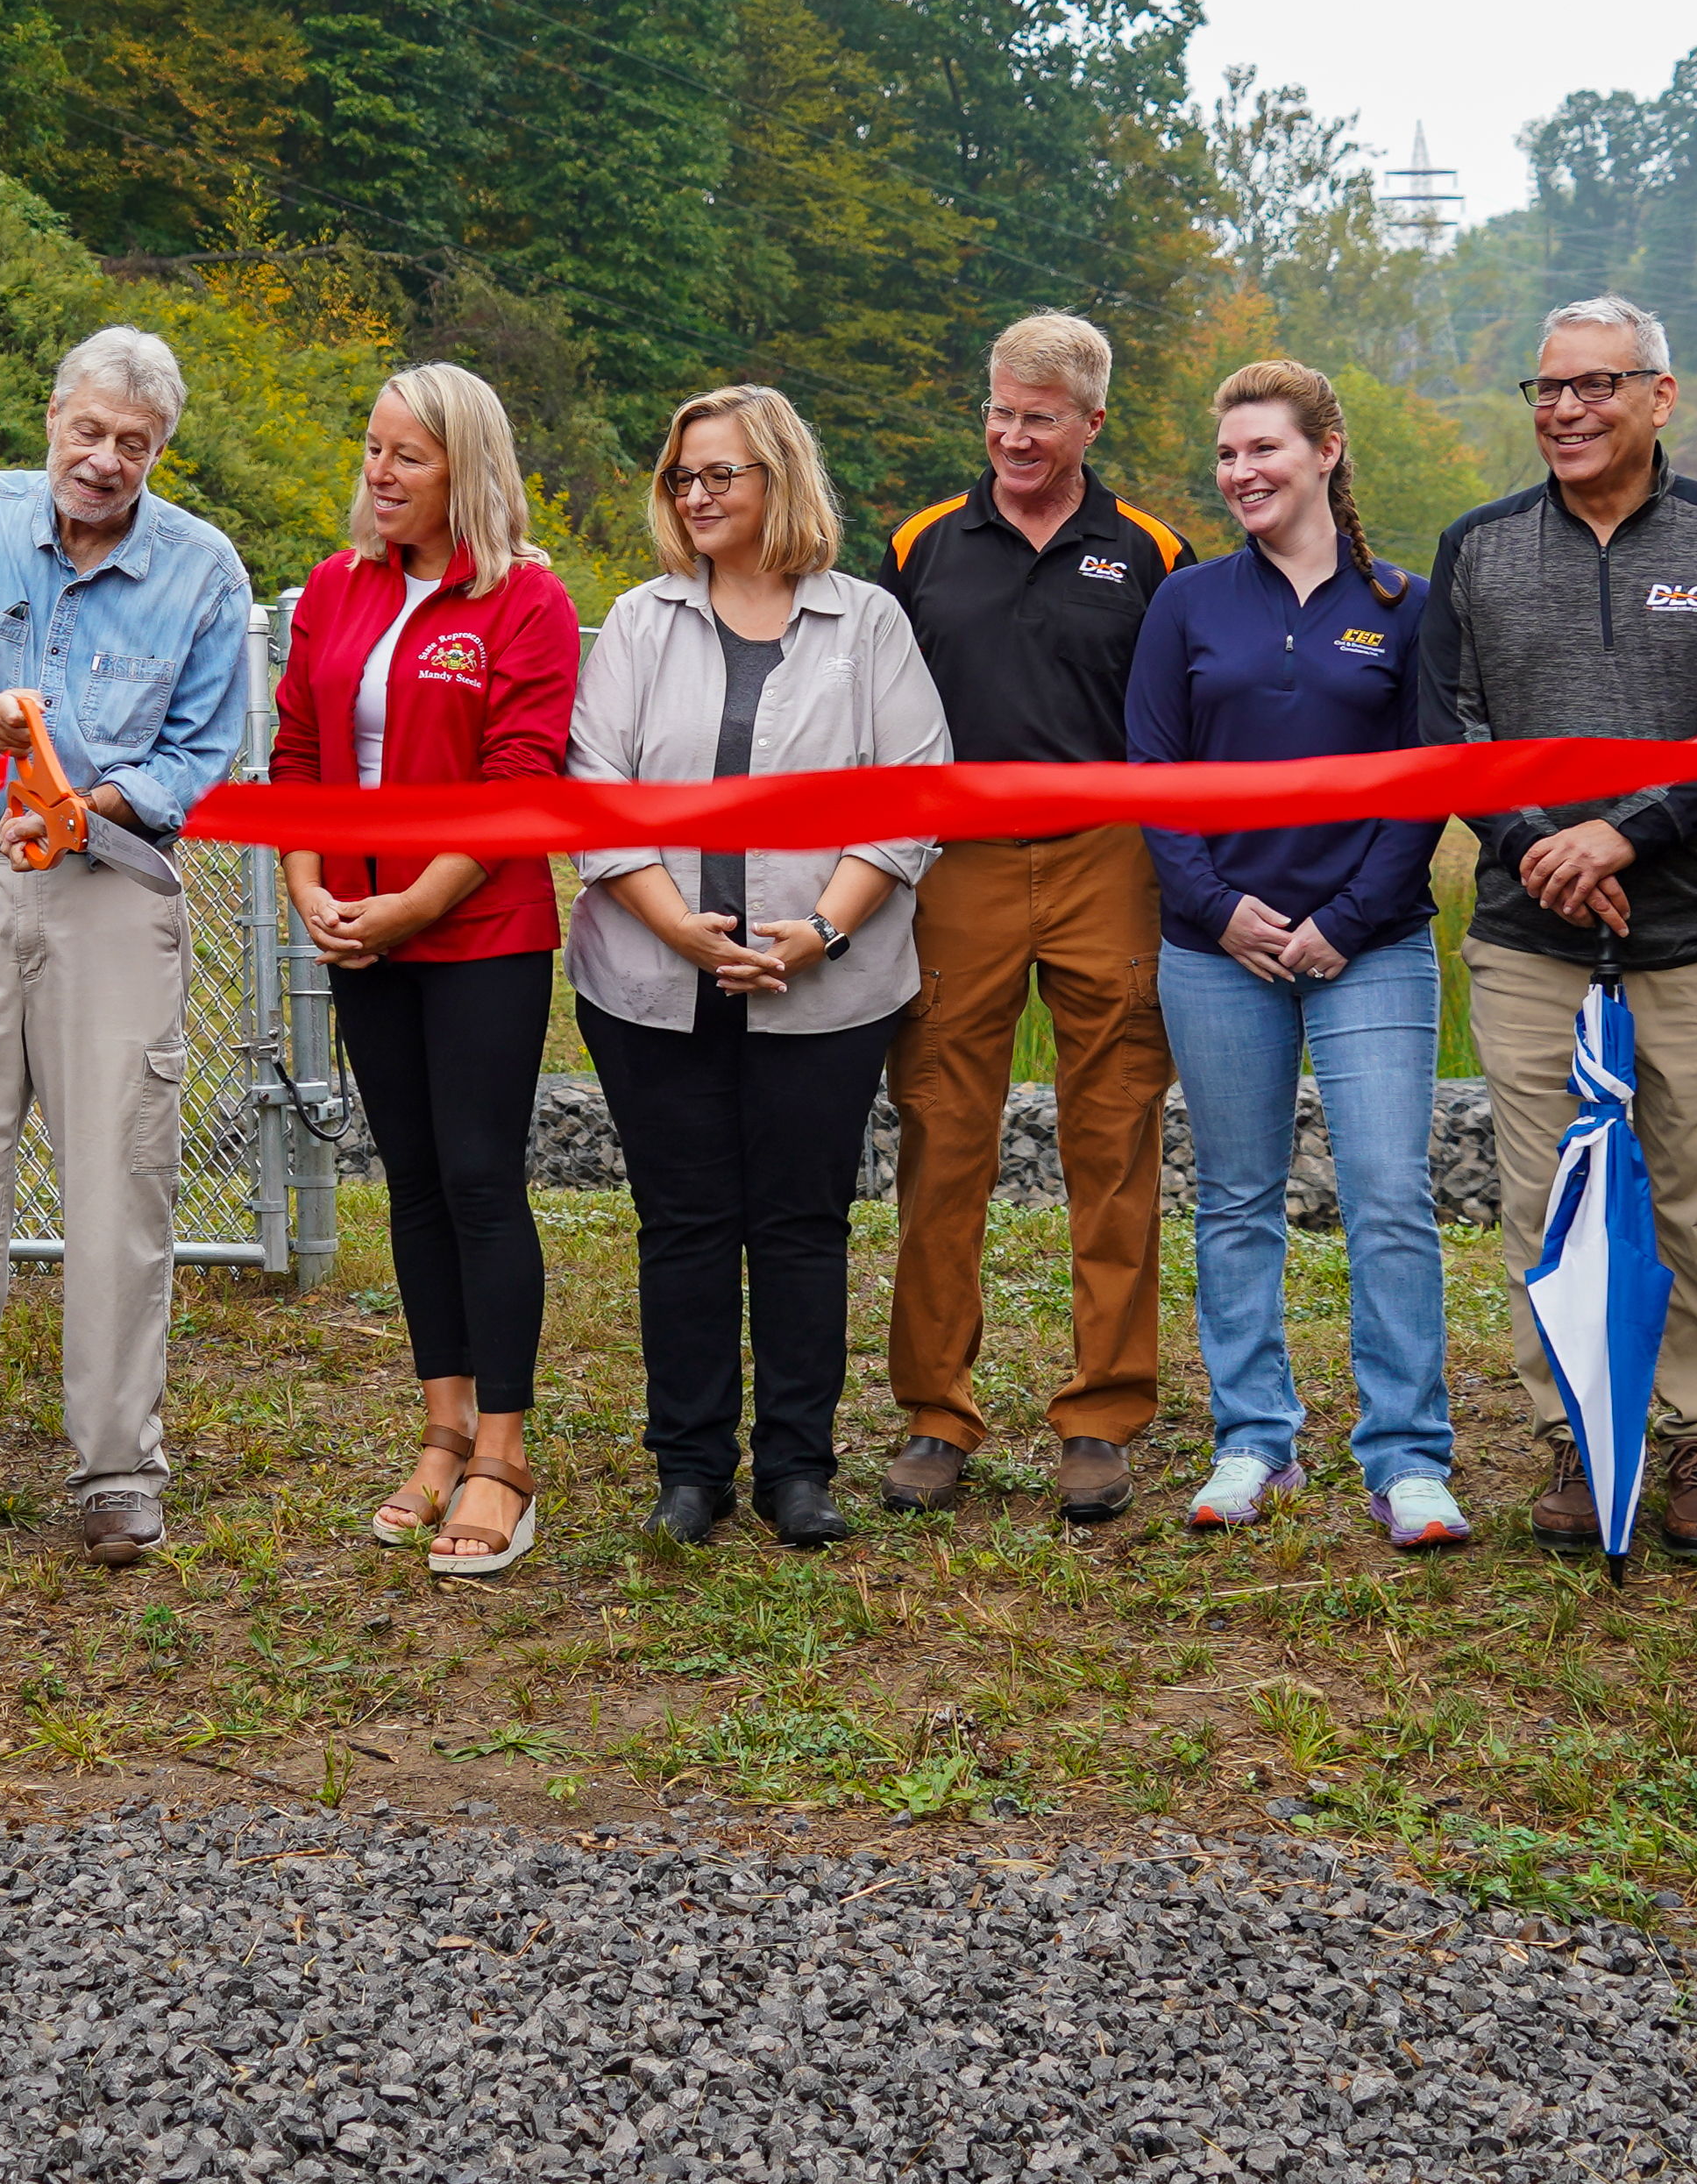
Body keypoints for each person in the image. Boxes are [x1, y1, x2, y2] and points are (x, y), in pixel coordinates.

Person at [0, 328, 254, 1590]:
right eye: (88, 431)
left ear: (159, 452)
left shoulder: (202, 566)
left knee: (118, 1182)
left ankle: (118, 1469)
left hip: (110, 894)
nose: (105, 459)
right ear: (51, 418)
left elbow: (202, 753)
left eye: (133, 443)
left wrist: (93, 803)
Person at [1414, 297, 1697, 1563]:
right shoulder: (1476, 548)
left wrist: (1622, 832)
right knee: (1547, 1198)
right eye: (1542, 390)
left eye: (1592, 385)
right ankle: (1578, 1433)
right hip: (1530, 937)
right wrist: (1542, 841)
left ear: (1659, 393)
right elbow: (1446, 734)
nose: (1564, 410)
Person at [572, 386, 947, 1550]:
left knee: (799, 1221)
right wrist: (678, 925)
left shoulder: (867, 623)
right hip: (647, 975)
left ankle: (796, 1468)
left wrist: (819, 930)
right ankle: (688, 1469)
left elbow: (911, 791)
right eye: (680, 475)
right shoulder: (637, 620)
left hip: (823, 982)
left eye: (718, 474)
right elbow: (596, 788)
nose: (694, 495)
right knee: (680, 1221)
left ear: (778, 478)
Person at [1129, 363, 1461, 1549]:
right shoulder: (1184, 600)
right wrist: (1218, 909)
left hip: (1367, 945)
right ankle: (1250, 1436)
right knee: (1234, 1199)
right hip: (1216, 949)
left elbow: (1426, 782)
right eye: (1225, 455)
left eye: (1262, 447)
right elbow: (1153, 775)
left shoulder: (1405, 600)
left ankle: (1407, 1455)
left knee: (1385, 1192)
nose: (1240, 472)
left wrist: (1342, 918)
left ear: (1324, 451)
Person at [870, 314, 1186, 1526]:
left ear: (1090, 422)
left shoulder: (1152, 549)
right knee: (942, 1130)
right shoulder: (918, 543)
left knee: (1111, 1136)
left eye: (1038, 415)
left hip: (1109, 855)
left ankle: (1102, 1411)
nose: (1010, 433)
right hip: (956, 857)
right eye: (998, 409)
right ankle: (933, 1414)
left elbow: (1174, 713)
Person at [273, 365, 583, 1580]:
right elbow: (297, 746)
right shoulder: (337, 589)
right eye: (371, 447)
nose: (379, 471)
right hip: (357, 926)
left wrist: (412, 901)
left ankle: (504, 1454)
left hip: (476, 931)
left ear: (468, 469)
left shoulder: (526, 600)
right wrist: (310, 884)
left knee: (476, 1177)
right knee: (406, 1180)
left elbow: (520, 779)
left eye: (408, 454)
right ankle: (441, 1427)